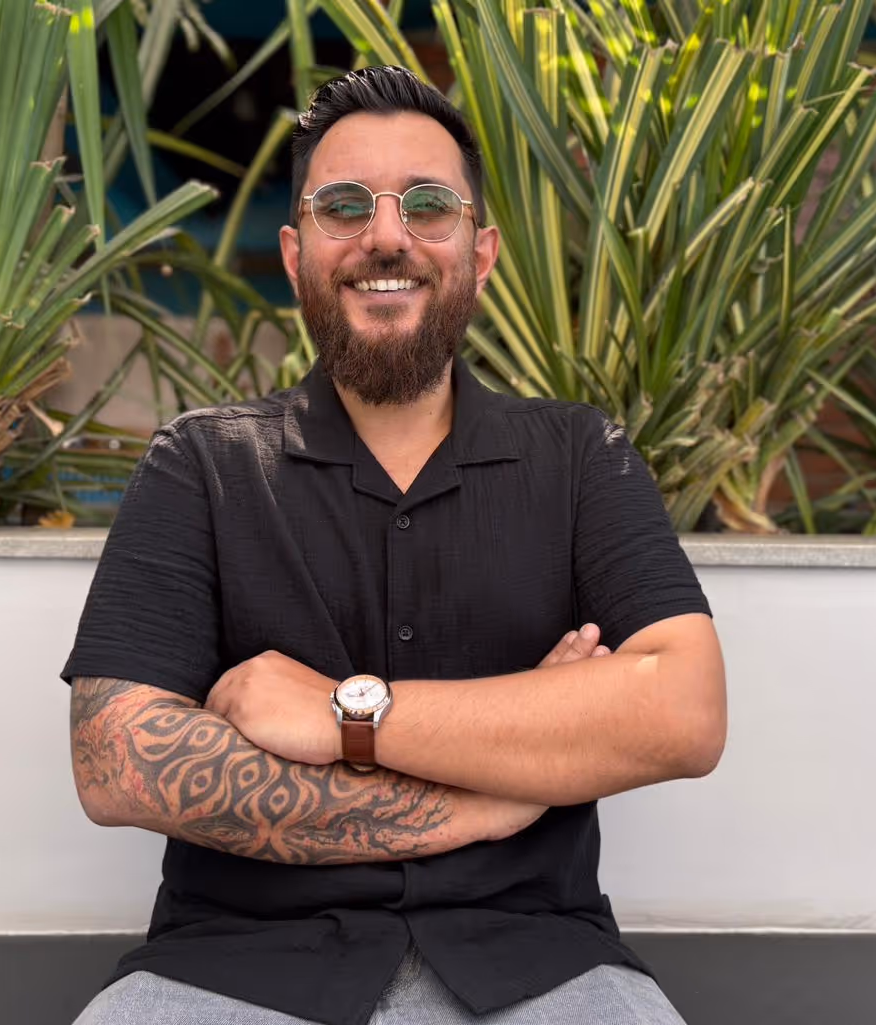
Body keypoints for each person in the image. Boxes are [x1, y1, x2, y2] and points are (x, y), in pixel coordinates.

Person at [62, 65, 726, 1025]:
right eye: (344, 206)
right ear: (293, 253)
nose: (386, 235)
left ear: (481, 251)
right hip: (233, 970)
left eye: (427, 204)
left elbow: (685, 709)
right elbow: (116, 759)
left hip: (540, 966)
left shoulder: (582, 456)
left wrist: (342, 717)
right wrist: (489, 798)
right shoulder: (201, 464)